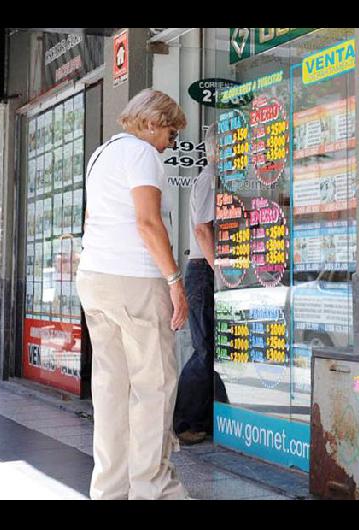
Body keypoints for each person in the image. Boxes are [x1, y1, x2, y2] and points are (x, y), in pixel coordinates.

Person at [75, 89, 189, 500]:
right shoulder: (142, 154)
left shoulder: (100, 155)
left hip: (95, 279)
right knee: (153, 386)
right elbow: (147, 223)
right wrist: (176, 281)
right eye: (171, 133)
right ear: (153, 122)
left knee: (111, 391)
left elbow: (92, 220)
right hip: (134, 280)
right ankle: (153, 489)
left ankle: (110, 490)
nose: (170, 144)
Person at [173, 124, 229, 446]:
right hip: (203, 271)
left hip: (205, 270)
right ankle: (184, 422)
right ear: (217, 149)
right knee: (205, 349)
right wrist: (218, 269)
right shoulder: (209, 177)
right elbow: (202, 230)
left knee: (211, 349)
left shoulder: (215, 179)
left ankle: (206, 419)